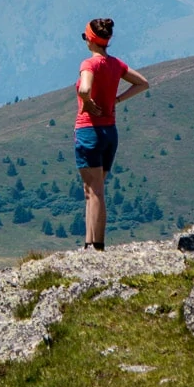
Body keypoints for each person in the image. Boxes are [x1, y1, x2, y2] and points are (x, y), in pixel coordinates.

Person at [74, 18, 149, 251]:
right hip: (110, 132)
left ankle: (96, 246)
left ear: (91, 39)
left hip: (89, 130)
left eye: (85, 36)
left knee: (94, 191)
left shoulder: (89, 64)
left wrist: (86, 101)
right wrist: (117, 99)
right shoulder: (116, 64)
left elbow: (85, 88)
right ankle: (89, 243)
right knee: (92, 190)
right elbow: (143, 83)